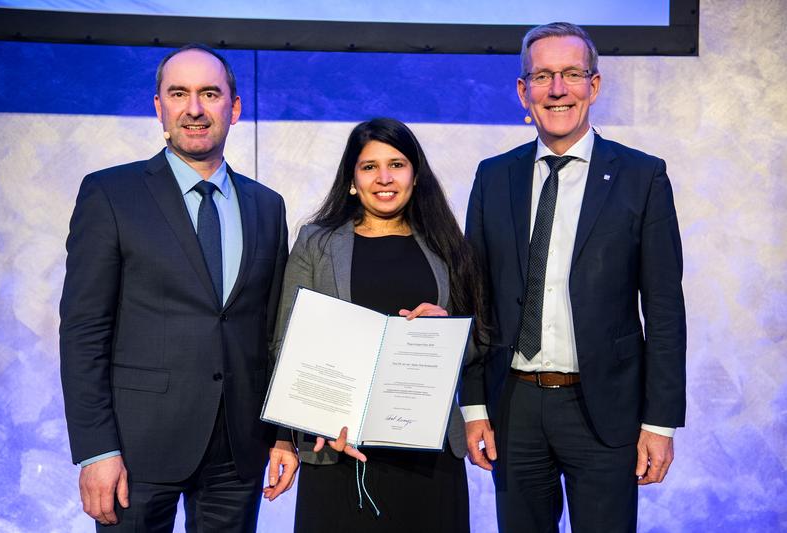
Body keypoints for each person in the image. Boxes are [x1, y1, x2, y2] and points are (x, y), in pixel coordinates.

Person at [59, 44, 298, 531]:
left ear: (234, 108)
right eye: (179, 93)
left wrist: (282, 434)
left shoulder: (267, 207)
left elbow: (272, 333)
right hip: (135, 450)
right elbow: (84, 331)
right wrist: (96, 449)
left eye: (210, 94)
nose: (194, 108)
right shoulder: (110, 194)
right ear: (158, 107)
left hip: (238, 449)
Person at [461, 22, 687, 532]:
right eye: (541, 76)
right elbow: (474, 301)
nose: (557, 89)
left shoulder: (642, 177)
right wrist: (473, 405)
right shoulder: (492, 177)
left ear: (595, 85)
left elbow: (665, 308)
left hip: (605, 411)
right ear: (523, 90)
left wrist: (659, 421)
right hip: (513, 408)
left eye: (571, 74)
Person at [271, 118, 483, 532]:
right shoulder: (316, 243)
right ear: (351, 178)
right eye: (369, 167)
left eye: (397, 164)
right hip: (336, 447)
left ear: (415, 175)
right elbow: (286, 344)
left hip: (428, 455)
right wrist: (312, 421)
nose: (384, 178)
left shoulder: (448, 246)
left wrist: (446, 331)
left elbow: (479, 343)